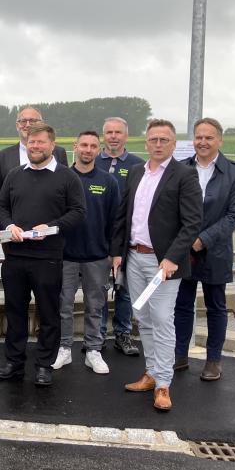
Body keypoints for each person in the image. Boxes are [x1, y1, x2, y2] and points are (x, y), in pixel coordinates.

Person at [111, 119, 202, 411]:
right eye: (153, 139)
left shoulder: (185, 176)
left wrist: (173, 257)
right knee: (145, 320)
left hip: (164, 263)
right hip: (134, 258)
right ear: (146, 142)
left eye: (164, 140)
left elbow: (192, 223)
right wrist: (118, 252)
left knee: (162, 319)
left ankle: (163, 384)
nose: (158, 144)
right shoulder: (136, 172)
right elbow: (124, 216)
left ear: (173, 144)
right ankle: (151, 373)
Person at [0, 122, 86, 386]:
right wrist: (9, 225)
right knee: (15, 312)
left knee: (48, 314)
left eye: (40, 142)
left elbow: (79, 212)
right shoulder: (14, 175)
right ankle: (14, 362)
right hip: (15, 257)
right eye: (31, 142)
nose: (35, 146)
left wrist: (53, 227)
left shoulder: (67, 177)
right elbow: (1, 207)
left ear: (52, 145)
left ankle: (44, 364)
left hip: (47, 257)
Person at [174, 117, 235, 381]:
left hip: (215, 251)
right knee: (182, 305)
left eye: (209, 137)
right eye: (199, 137)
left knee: (216, 307)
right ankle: (179, 354)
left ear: (220, 140)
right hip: (184, 251)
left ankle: (213, 360)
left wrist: (202, 239)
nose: (202, 142)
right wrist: (185, 241)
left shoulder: (234, 173)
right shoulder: (181, 168)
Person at [52, 131, 119, 375]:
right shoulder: (60, 178)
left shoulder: (108, 182)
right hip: (65, 255)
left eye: (93, 146)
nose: (87, 150)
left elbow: (115, 221)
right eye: (83, 145)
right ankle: (65, 347)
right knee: (64, 305)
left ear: (98, 149)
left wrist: (114, 252)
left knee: (95, 305)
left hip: (97, 256)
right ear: (75, 146)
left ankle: (93, 349)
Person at [95, 116, 145, 356]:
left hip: (126, 238)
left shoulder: (138, 165)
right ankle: (99, 334)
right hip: (98, 237)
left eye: (118, 132)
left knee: (124, 287)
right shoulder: (92, 161)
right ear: (103, 135)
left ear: (126, 135)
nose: (113, 136)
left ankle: (123, 333)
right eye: (109, 132)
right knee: (99, 287)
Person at [0, 106, 69, 193]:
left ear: (42, 124)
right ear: (17, 126)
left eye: (32, 121)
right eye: (23, 121)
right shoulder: (2, 157)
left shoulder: (59, 153)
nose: (28, 124)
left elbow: (66, 186)